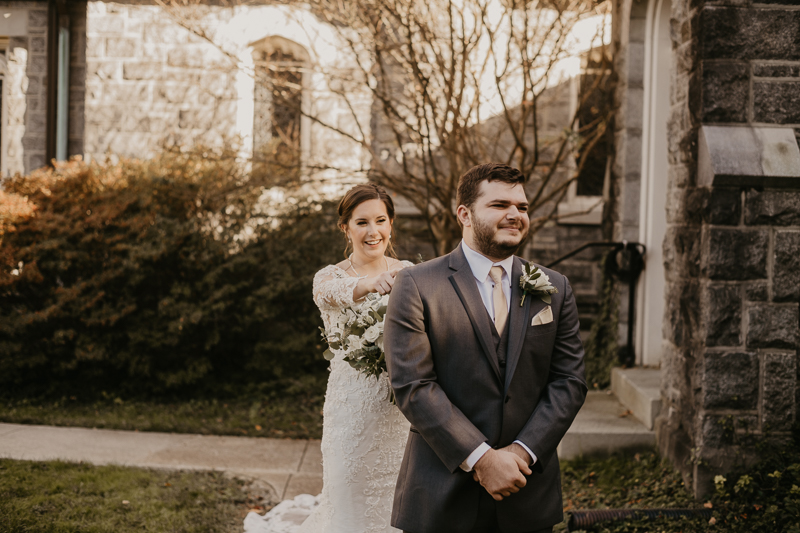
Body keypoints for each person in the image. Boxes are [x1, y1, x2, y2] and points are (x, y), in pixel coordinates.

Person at [384, 163, 587, 533]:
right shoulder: (417, 284)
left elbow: (569, 383)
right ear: (464, 214)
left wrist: (520, 453)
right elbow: (413, 385)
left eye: (522, 207)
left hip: (526, 494)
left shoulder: (555, 287)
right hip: (440, 496)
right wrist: (481, 460)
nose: (515, 215)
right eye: (499, 205)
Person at [247, 183, 413, 533]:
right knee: (349, 492)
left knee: (398, 497)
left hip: (401, 406)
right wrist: (370, 284)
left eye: (381, 220)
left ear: (391, 224)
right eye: (362, 222)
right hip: (351, 405)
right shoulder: (329, 277)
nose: (373, 231)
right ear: (345, 227)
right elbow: (331, 295)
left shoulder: (410, 273)